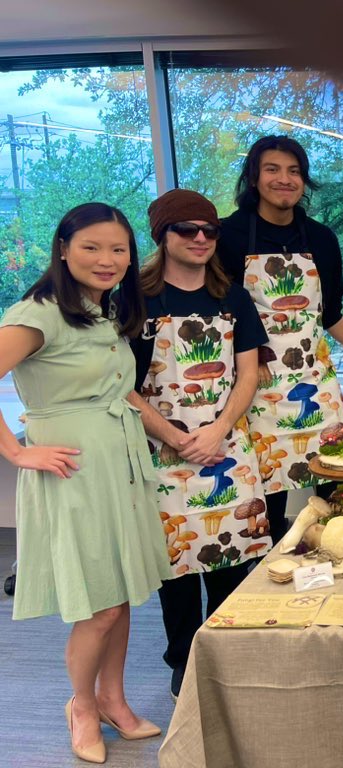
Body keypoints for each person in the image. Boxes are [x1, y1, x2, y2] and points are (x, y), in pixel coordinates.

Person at [0, 203, 169, 763]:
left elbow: (119, 391)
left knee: (119, 598)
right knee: (96, 606)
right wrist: (17, 452)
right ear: (64, 247)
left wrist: (170, 435)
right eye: (92, 247)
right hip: (73, 470)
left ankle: (112, 700)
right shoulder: (38, 312)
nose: (107, 259)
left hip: (117, 463)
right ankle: (79, 704)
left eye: (118, 249)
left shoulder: (101, 310)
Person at [128, 189, 272, 699]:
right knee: (178, 570)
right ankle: (184, 659)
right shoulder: (135, 299)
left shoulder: (230, 297)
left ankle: (227, 652)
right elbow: (121, 382)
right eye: (186, 230)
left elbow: (249, 373)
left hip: (226, 444)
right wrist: (174, 436)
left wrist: (216, 431)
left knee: (234, 558)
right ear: (162, 236)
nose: (200, 239)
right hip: (162, 449)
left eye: (208, 230)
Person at [218, 135, 343, 542]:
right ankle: (272, 582)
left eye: (294, 171)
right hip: (255, 383)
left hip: (315, 377)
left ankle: (340, 561)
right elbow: (221, 319)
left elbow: (329, 316)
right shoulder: (227, 236)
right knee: (267, 500)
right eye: (273, 169)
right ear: (254, 178)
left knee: (336, 488)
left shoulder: (322, 239)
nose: (285, 179)